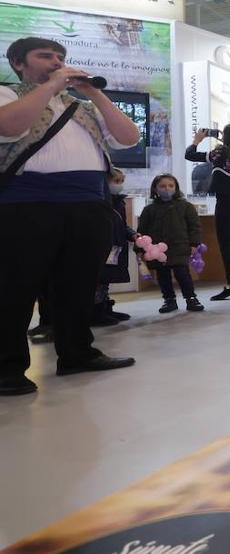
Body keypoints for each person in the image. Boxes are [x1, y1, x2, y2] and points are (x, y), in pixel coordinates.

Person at [0, 36, 138, 396]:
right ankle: (7, 369)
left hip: (89, 205)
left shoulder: (82, 107)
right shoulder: (9, 93)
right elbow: (10, 127)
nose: (55, 61)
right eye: (44, 56)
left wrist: (94, 93)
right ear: (18, 63)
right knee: (15, 289)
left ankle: (77, 353)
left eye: (60, 56)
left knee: (77, 286)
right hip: (27, 205)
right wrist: (51, 86)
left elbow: (127, 137)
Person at [185, 123, 230, 300]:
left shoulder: (220, 153)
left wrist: (197, 140)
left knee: (226, 245)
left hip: (226, 204)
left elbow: (189, 155)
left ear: (227, 136)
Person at [137, 174, 205, 314]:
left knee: (183, 274)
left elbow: (194, 227)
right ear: (155, 189)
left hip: (180, 247)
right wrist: (141, 248)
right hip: (157, 250)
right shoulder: (149, 210)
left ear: (176, 188)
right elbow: (142, 231)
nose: (167, 188)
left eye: (170, 185)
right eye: (162, 186)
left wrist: (194, 244)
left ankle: (191, 298)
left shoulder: (186, 206)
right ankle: (169, 300)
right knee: (163, 276)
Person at [92, 167, 137, 326]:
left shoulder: (119, 201)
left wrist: (132, 234)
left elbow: (122, 225)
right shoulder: (97, 201)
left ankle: (105, 307)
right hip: (101, 245)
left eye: (122, 181)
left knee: (106, 279)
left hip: (115, 246)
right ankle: (95, 312)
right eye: (116, 181)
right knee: (97, 279)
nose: (120, 185)